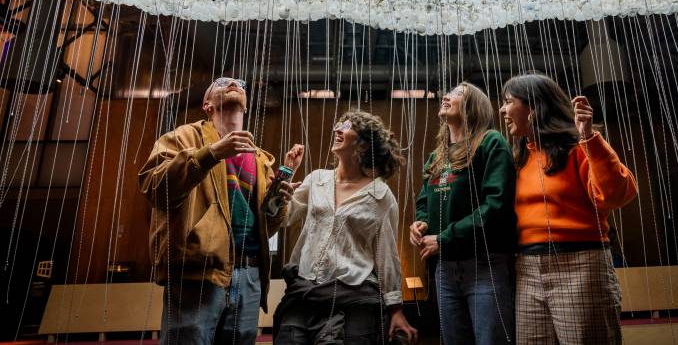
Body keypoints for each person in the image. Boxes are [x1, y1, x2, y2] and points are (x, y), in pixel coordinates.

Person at [139, 77, 299, 345]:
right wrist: (210, 153)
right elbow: (155, 188)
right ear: (207, 105)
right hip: (198, 272)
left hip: (249, 273)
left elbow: (263, 227)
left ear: (246, 107)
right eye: (223, 82)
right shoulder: (181, 138)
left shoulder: (260, 159)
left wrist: (278, 202)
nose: (234, 83)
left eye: (240, 84)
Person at [499, 73, 638, 345]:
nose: (502, 110)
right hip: (527, 267)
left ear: (534, 107)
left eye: (508, 101)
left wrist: (589, 137)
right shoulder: (519, 157)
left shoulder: (578, 147)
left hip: (580, 264)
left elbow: (617, 194)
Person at [273, 111, 418, 345]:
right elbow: (280, 217)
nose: (337, 130)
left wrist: (396, 309)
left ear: (362, 144)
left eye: (347, 126)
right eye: (338, 124)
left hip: (355, 300)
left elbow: (387, 255)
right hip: (303, 295)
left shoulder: (380, 196)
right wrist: (285, 173)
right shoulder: (316, 179)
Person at [410, 82, 517, 345]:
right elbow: (424, 201)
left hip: (484, 264)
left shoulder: (491, 142)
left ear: (473, 106)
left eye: (457, 93)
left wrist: (444, 238)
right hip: (444, 270)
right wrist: (421, 223)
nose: (446, 96)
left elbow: (496, 207)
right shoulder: (436, 156)